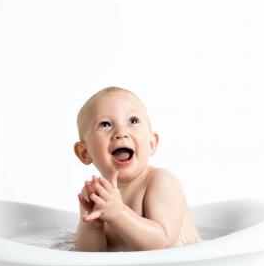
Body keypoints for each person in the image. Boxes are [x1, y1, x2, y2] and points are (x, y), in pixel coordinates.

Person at [73, 86, 201, 251]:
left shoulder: (161, 182)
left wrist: (119, 214)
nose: (121, 132)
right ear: (85, 153)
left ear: (151, 143)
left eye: (133, 121)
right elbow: (89, 252)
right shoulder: (96, 194)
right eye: (105, 124)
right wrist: (93, 226)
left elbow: (163, 243)